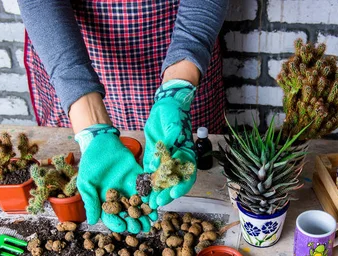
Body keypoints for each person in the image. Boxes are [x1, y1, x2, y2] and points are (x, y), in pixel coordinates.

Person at [18, 1, 229, 233]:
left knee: (176, 135)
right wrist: (90, 127)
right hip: (66, 47)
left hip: (178, 43)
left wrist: (176, 91)